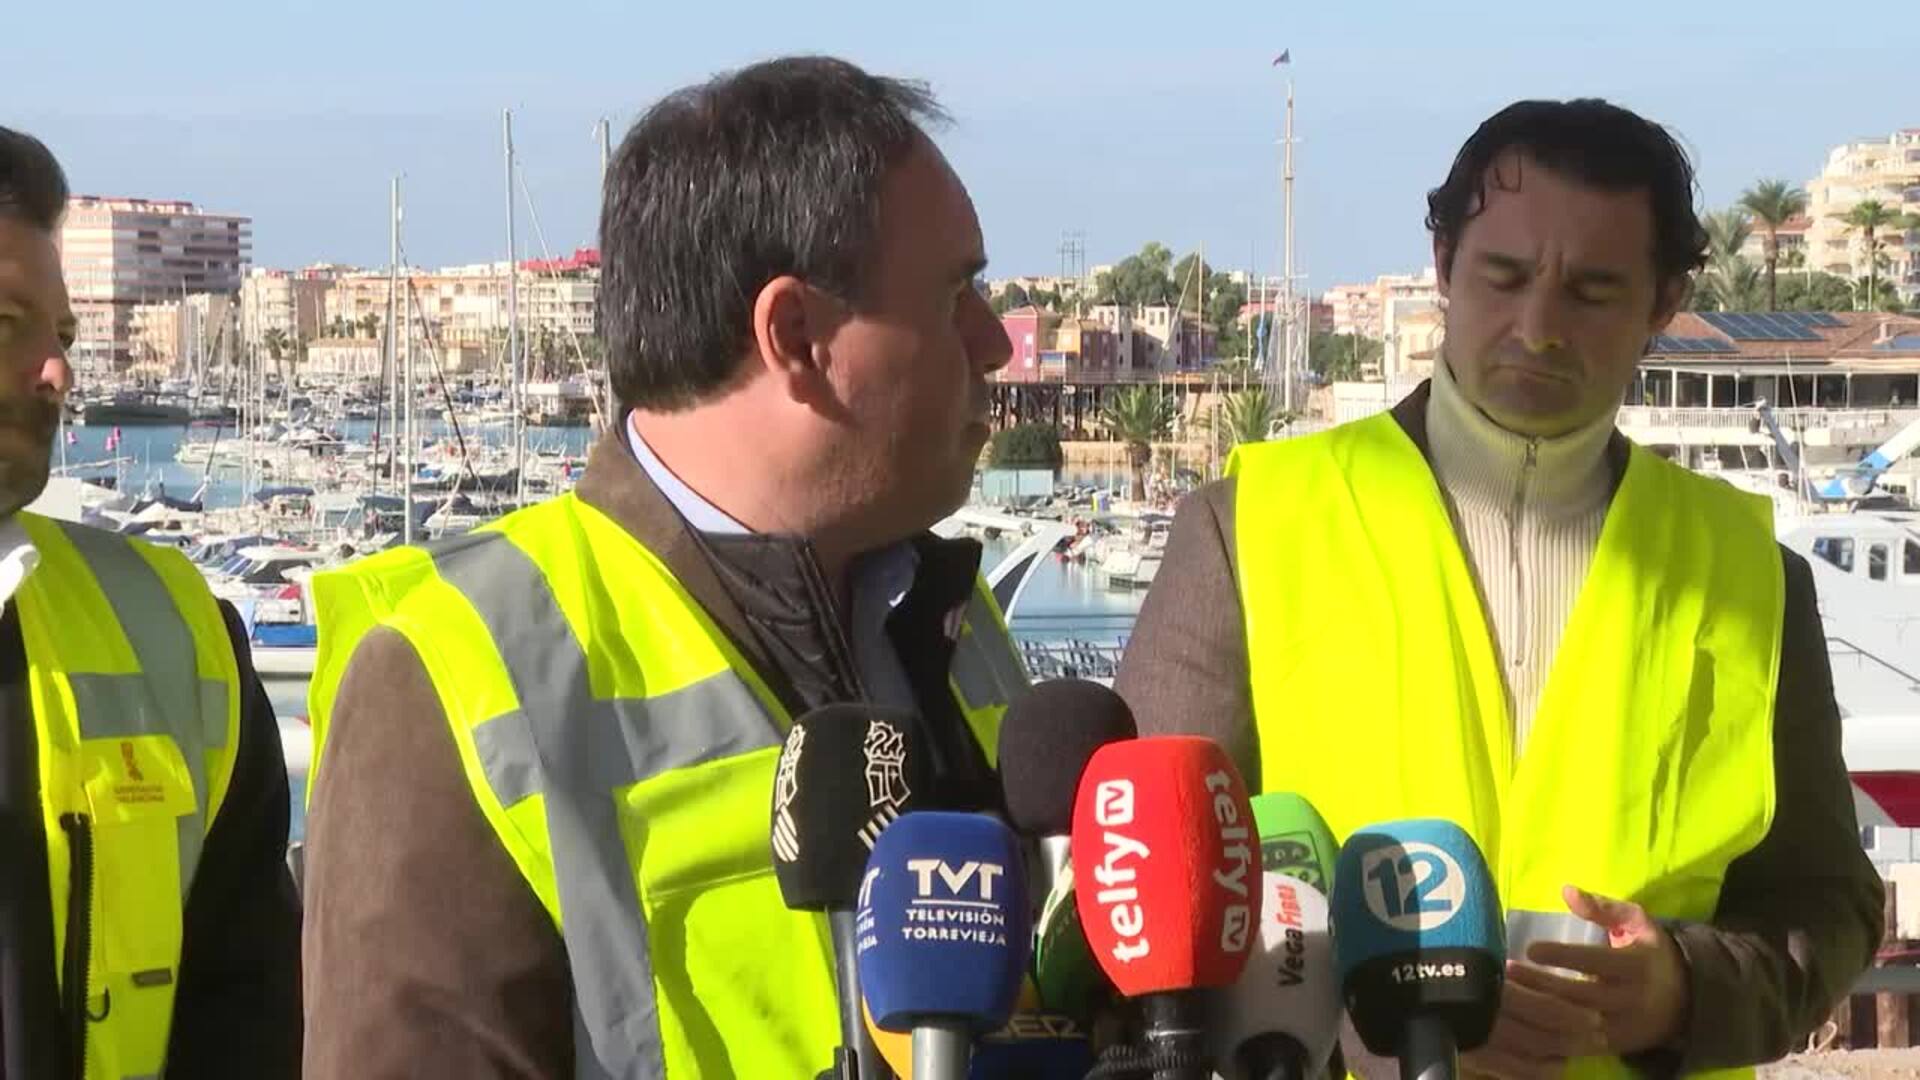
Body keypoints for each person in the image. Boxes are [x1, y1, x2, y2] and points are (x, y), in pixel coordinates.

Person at [1116, 99, 1881, 1079]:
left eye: (1592, 291)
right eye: (1505, 277)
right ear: (1443, 266)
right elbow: (1139, 895)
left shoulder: (1751, 573)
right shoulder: (1248, 529)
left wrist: (1681, 992)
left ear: (1664, 301)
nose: (1539, 328)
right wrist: (1388, 1025)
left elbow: (1827, 905)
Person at [300, 56, 1022, 1078]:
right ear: (796, 337)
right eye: (956, 296)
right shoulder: (455, 673)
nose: (997, 345)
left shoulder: (950, 611)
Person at [0, 127, 301, 1078]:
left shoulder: (177, 635)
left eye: (63, 335)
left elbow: (247, 1010)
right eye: (7, 323)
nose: (56, 372)